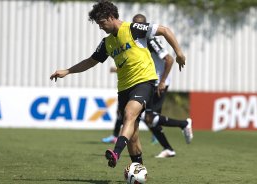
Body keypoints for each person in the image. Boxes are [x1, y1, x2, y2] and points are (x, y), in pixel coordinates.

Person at [50, 0, 186, 168]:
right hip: (123, 88)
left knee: (129, 114)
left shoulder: (132, 28)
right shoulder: (106, 43)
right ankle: (139, 169)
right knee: (133, 134)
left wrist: (179, 53)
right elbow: (91, 61)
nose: (100, 26)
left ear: (111, 17)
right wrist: (68, 71)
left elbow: (164, 30)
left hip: (144, 81)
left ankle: (116, 152)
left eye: (101, 23)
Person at [102, 14, 193, 158]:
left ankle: (182, 126)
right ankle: (168, 146)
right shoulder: (131, 39)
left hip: (155, 82)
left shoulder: (150, 40)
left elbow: (168, 59)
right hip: (145, 81)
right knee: (146, 118)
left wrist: (162, 81)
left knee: (148, 117)